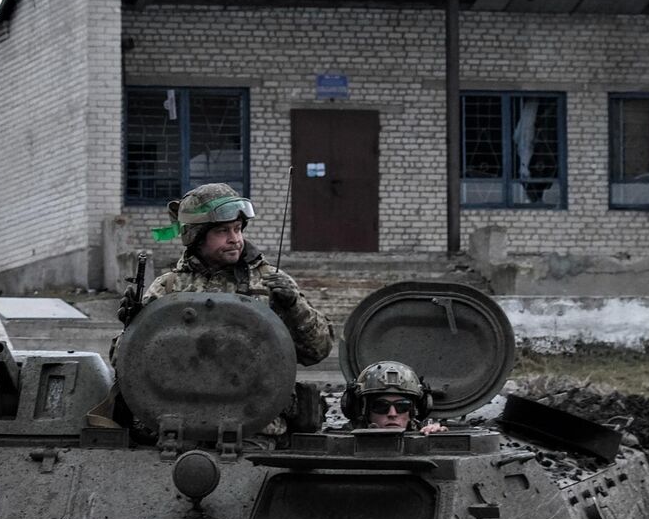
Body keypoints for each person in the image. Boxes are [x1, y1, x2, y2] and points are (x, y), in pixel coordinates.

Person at [129, 184, 334, 366]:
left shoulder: (270, 281)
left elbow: (317, 352)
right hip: (185, 403)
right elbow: (128, 363)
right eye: (222, 231)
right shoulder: (169, 287)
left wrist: (294, 306)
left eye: (237, 229)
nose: (234, 239)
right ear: (196, 237)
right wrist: (133, 325)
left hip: (258, 404)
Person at [342, 361, 448, 434]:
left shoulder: (426, 433)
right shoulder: (345, 440)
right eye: (381, 406)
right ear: (365, 410)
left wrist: (438, 437)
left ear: (412, 412)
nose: (392, 414)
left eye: (402, 406)